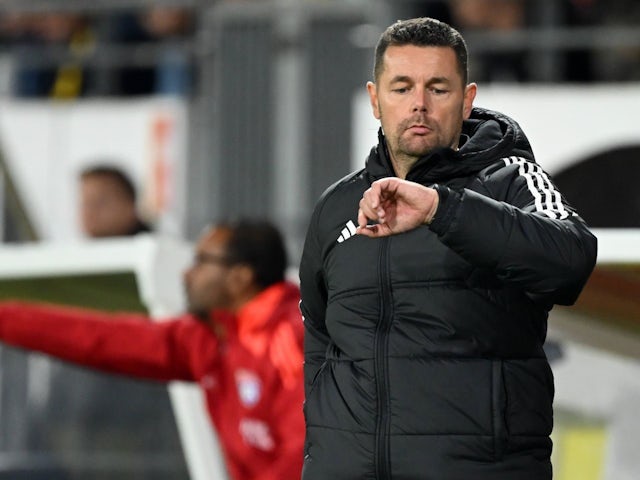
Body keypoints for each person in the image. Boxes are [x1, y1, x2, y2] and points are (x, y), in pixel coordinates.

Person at [299, 17, 597, 480]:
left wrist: (443, 209)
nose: (419, 104)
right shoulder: (336, 206)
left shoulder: (511, 181)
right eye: (401, 88)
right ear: (375, 100)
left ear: (467, 100)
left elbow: (572, 260)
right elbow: (318, 335)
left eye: (438, 88)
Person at [0, 219, 305, 480]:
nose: (187, 274)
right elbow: (99, 338)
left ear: (241, 276)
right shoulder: (209, 336)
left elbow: (309, 454)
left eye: (201, 261)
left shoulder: (295, 339)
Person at [79, 164, 151, 237]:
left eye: (101, 202)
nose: (90, 212)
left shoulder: (153, 245)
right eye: (86, 203)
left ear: (129, 206)